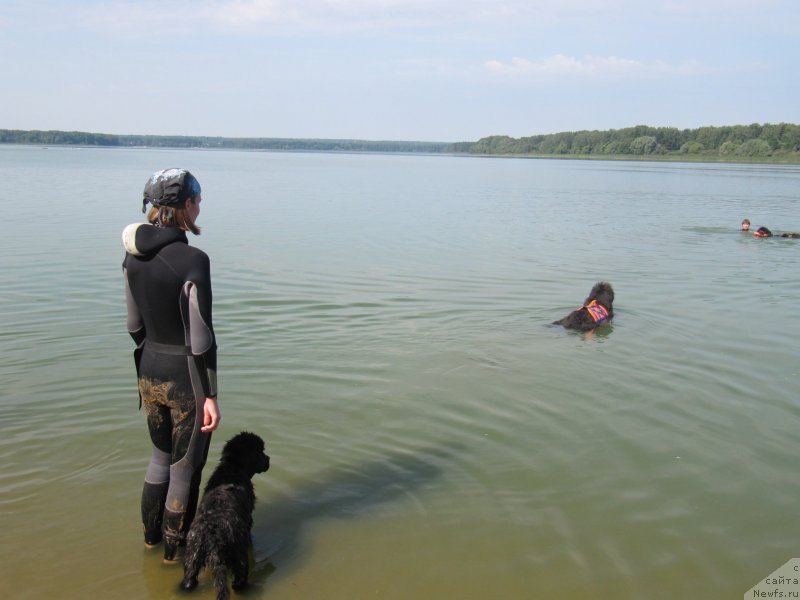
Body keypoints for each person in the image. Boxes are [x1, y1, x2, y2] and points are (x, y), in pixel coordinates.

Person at [122, 168, 221, 563]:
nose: (200, 204)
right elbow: (201, 338)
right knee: (184, 468)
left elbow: (134, 326)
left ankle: (150, 542)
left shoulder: (132, 255)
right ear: (184, 207)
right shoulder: (194, 259)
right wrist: (210, 395)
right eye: (196, 199)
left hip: (148, 369)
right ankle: (173, 559)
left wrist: (155, 355)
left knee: (159, 459)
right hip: (186, 379)